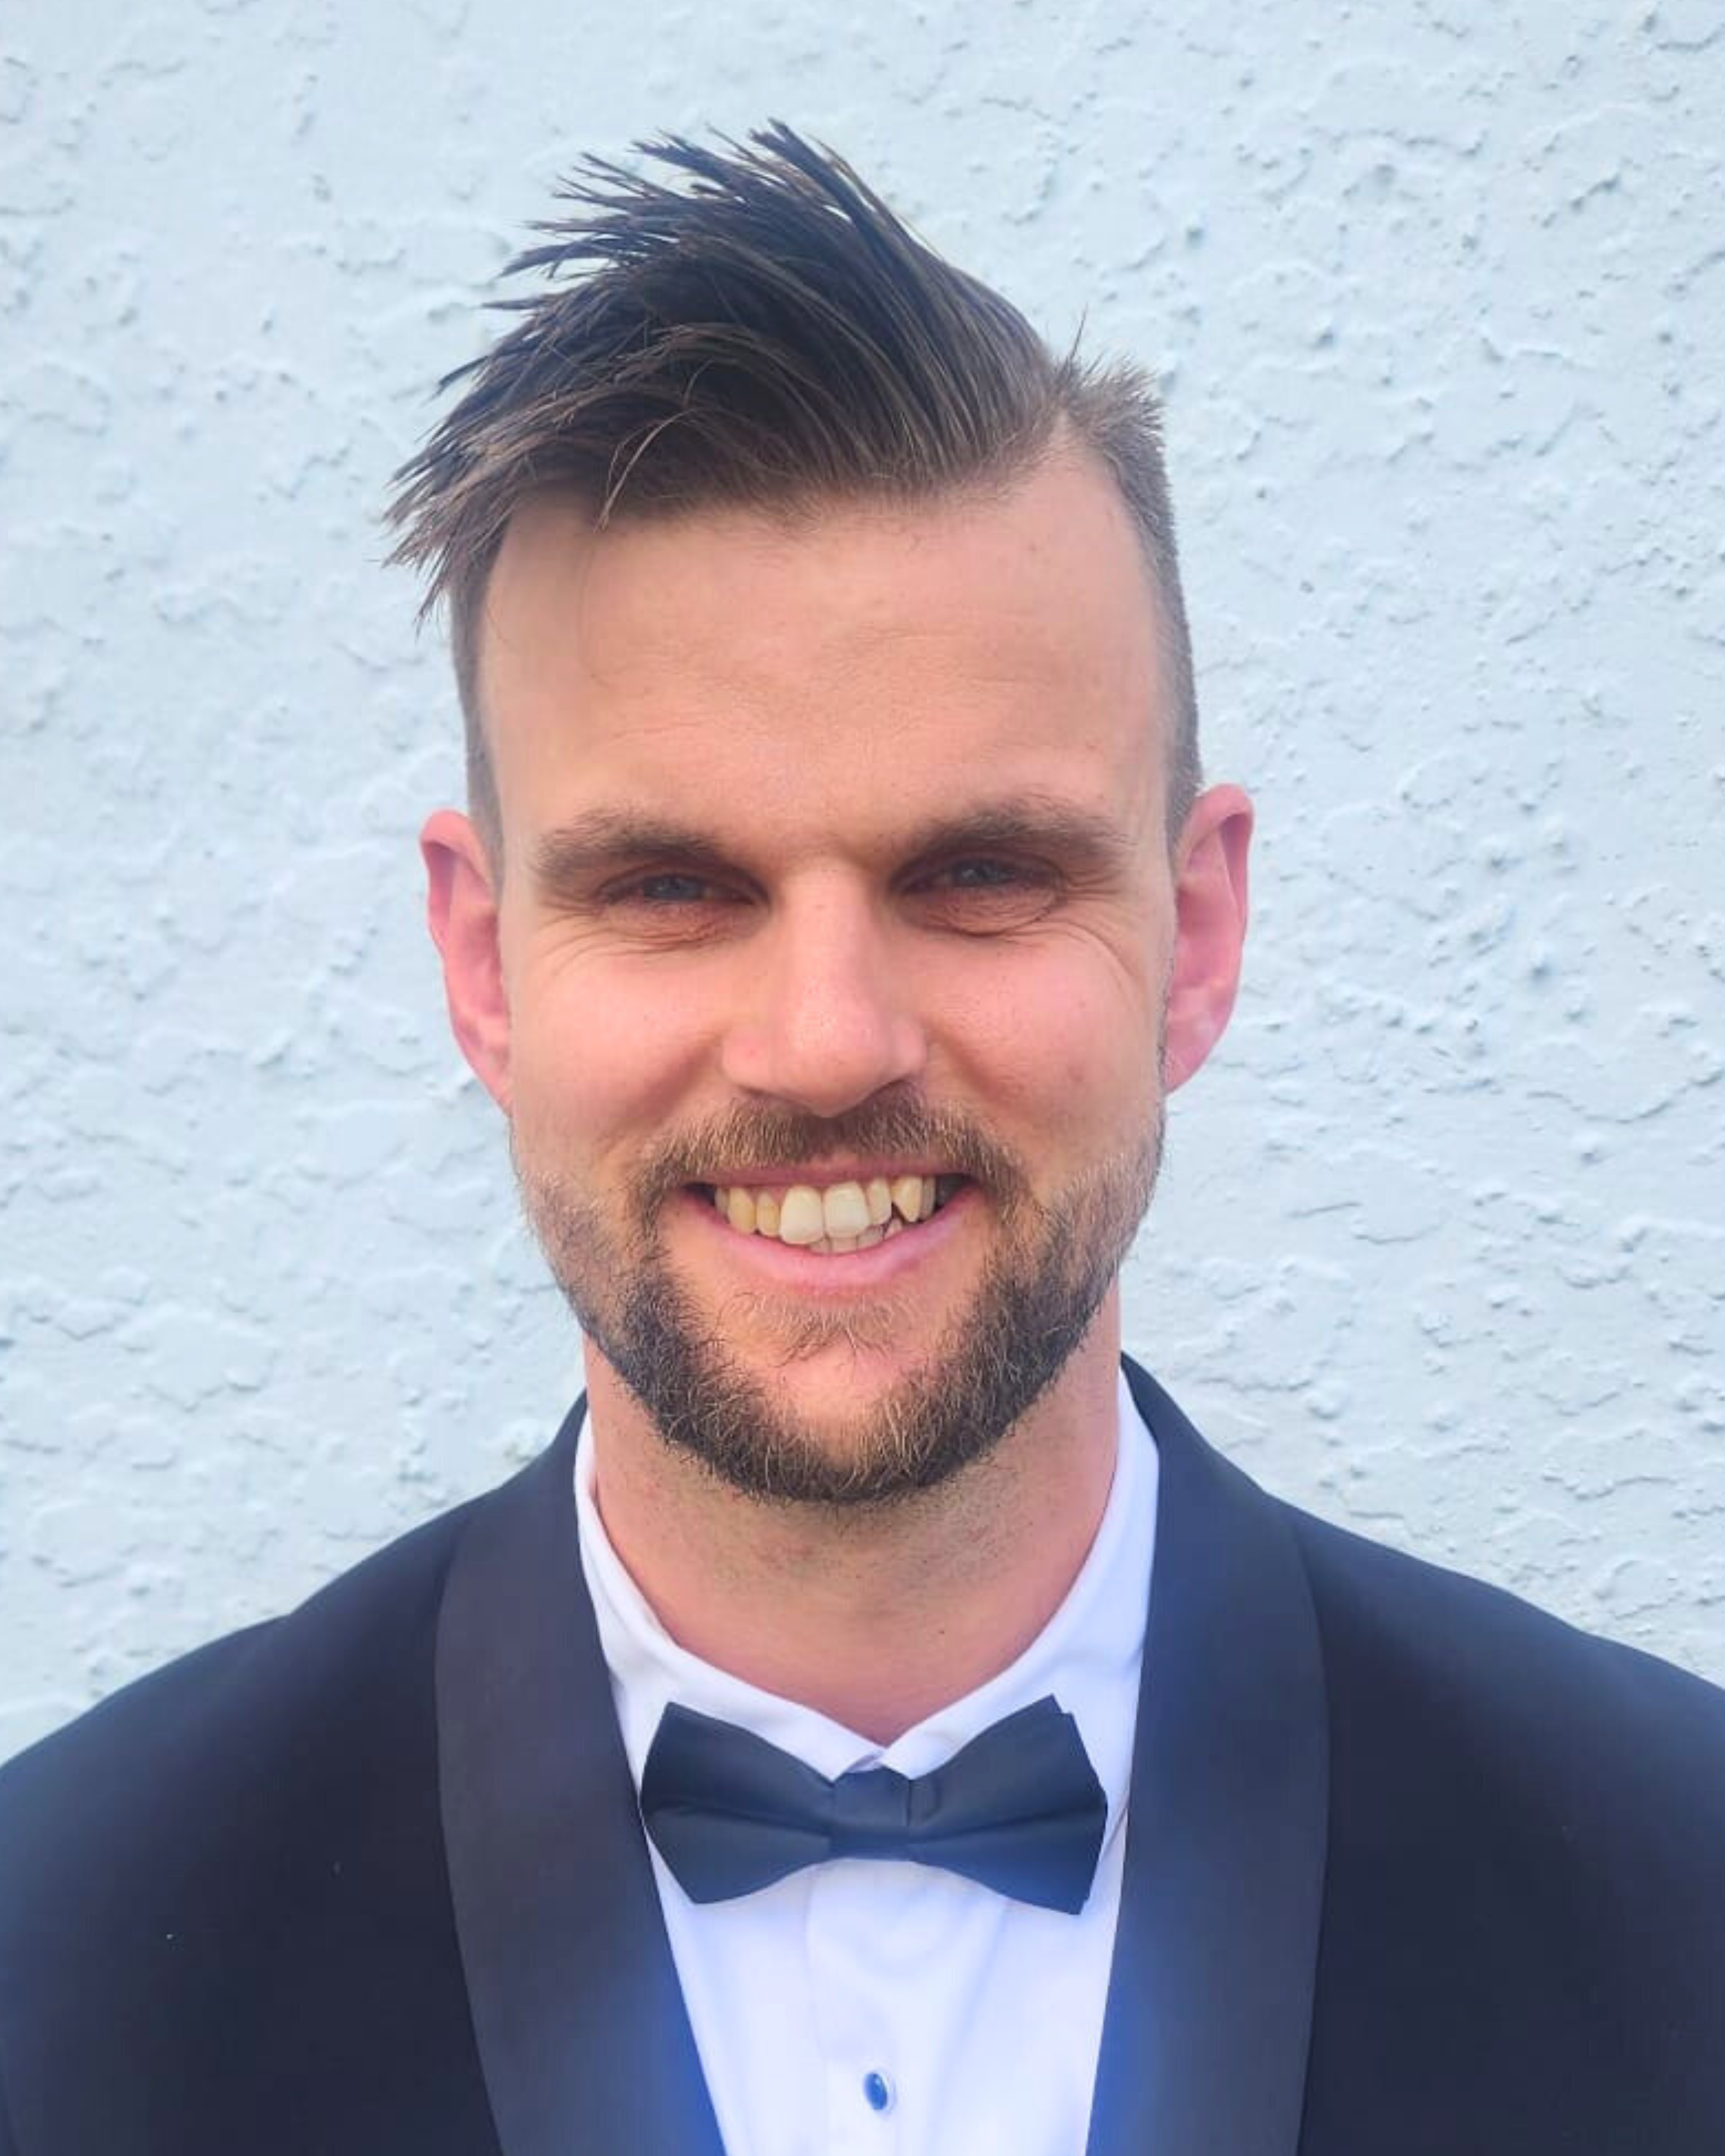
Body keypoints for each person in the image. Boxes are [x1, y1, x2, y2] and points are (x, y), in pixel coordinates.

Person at [0, 124, 1720, 2156]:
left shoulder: (1674, 1889)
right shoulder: (59, 1953)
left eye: (979, 870)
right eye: (669, 886)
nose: (826, 1042)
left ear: (1199, 931)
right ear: (481, 962)